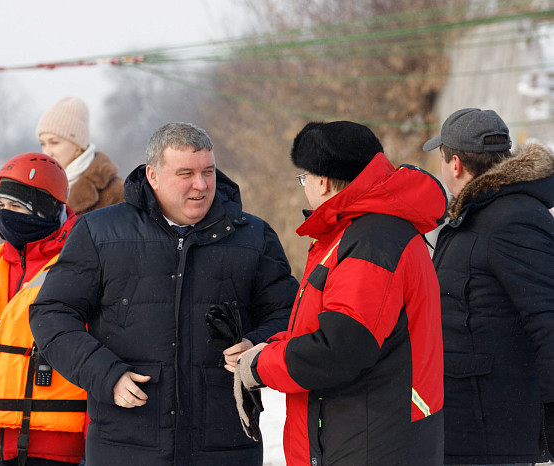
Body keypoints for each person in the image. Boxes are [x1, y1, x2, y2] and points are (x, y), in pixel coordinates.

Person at [28, 122, 299, 465]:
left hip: (225, 446)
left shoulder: (253, 236)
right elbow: (51, 313)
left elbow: (289, 314)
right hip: (125, 445)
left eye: (208, 171)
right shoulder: (99, 233)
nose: (200, 185)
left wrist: (257, 346)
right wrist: (105, 375)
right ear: (153, 176)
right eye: (185, 173)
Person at [234, 121, 447, 465]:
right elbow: (337, 325)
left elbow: (342, 348)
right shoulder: (368, 230)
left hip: (370, 442)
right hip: (372, 433)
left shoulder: (370, 241)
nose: (305, 187)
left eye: (303, 178)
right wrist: (270, 348)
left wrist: (261, 366)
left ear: (322, 181)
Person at [424, 108, 554, 465]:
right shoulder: (476, 216)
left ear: (454, 164)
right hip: (467, 426)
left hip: (493, 436)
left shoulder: (512, 218)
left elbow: (548, 317)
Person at [0, 153, 86, 466]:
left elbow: (95, 366)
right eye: (2, 206)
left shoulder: (81, 263)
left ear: (46, 208)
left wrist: (97, 451)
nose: (6, 216)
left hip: (59, 453)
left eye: (16, 207)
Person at [37, 96, 123, 215]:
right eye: (43, 143)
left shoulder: (117, 193)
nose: (47, 152)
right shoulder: (38, 189)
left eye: (54, 142)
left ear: (77, 144)